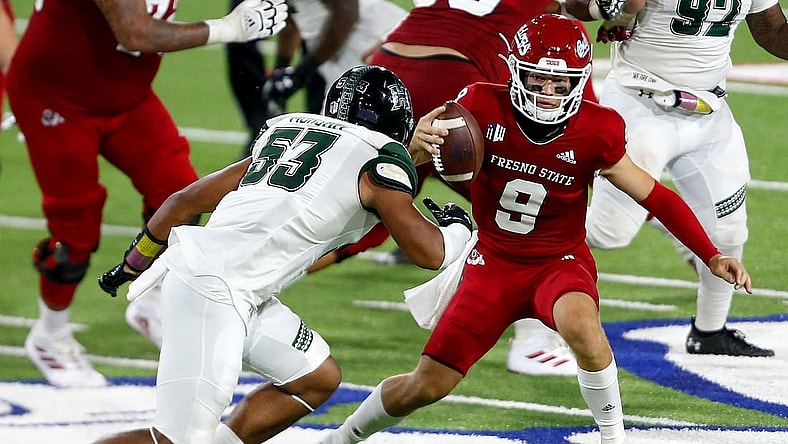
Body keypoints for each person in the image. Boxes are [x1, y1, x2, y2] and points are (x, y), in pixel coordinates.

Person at [319, 14, 753, 444]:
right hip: (491, 264)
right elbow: (403, 166)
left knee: (582, 327)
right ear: (514, 72)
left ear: (579, 82)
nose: (548, 93)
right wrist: (416, 145)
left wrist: (711, 253)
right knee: (426, 385)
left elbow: (655, 195)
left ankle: (614, 438)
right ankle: (340, 439)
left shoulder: (597, 128)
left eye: (559, 83)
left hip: (558, 263)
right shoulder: (477, 106)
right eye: (537, 79)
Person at [92, 65, 473, 444]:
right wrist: (460, 228)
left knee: (314, 378)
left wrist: (132, 264)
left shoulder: (289, 134)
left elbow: (183, 201)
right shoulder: (380, 162)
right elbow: (430, 252)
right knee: (178, 440)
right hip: (215, 290)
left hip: (227, 283)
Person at [5, 0, 288, 388]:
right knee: (74, 234)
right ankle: (49, 337)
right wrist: (231, 28)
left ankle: (152, 303)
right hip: (57, 99)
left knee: (182, 197)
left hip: (126, 94)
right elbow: (135, 32)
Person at [567, 0, 786, 356]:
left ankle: (709, 332)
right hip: (639, 108)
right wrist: (605, 8)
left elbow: (772, 31)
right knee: (608, 233)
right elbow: (576, 6)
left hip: (708, 111)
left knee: (729, 231)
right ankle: (505, 264)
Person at [229, 0, 407, 158]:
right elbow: (290, 18)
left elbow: (346, 13)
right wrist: (281, 70)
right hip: (342, 52)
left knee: (352, 143)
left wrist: (301, 74)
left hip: (364, 41)